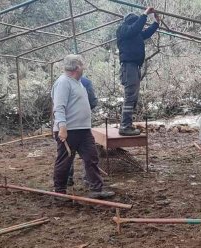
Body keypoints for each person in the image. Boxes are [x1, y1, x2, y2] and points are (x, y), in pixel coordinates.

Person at [51, 54, 115, 200]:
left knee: (91, 158)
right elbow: (59, 107)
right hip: (69, 130)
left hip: (83, 129)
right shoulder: (63, 82)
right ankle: (59, 192)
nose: (84, 68)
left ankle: (96, 189)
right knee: (65, 160)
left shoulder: (77, 82)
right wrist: (62, 127)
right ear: (77, 67)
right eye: (82, 65)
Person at [116, 7, 160, 136]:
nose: (138, 26)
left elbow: (146, 33)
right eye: (136, 22)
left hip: (134, 67)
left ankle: (127, 124)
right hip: (129, 66)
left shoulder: (134, 33)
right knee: (130, 96)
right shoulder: (123, 30)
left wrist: (156, 23)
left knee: (132, 97)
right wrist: (145, 14)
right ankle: (125, 126)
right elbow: (136, 28)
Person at [67, 75, 98, 187]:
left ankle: (68, 179)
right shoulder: (86, 82)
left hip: (67, 125)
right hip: (81, 125)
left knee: (67, 154)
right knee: (89, 155)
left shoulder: (60, 81)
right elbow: (93, 102)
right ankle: (89, 180)